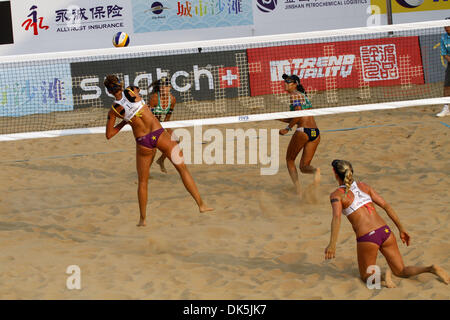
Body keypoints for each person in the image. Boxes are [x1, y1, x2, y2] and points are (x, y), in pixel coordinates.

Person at [104, 75, 213, 226]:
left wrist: (124, 121)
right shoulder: (132, 90)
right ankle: (201, 205)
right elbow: (138, 91)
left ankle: (142, 219)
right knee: (183, 169)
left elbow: (109, 135)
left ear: (108, 92)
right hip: (158, 134)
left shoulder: (114, 110)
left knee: (143, 182)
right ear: (121, 84)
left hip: (143, 141)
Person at [325, 159, 449, 287]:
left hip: (368, 237)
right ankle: (431, 268)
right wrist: (401, 229)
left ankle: (384, 275)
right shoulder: (364, 186)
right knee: (401, 270)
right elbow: (386, 206)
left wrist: (332, 244)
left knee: (366, 277)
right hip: (385, 231)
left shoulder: (336, 195)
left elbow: (336, 218)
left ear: (334, 173)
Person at [278, 74, 320, 199]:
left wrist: (287, 129)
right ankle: (315, 171)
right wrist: (278, 117)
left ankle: (298, 191)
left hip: (303, 131)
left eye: (289, 81)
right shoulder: (304, 96)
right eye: (285, 81)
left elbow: (298, 115)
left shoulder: (294, 96)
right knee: (304, 167)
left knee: (289, 160)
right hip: (315, 132)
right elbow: (299, 116)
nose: (285, 83)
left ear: (295, 84)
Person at [148, 77, 177, 173]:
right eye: (161, 87)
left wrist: (167, 130)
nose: (162, 88)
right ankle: (146, 171)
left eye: (165, 87)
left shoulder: (172, 100)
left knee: (175, 141)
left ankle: (161, 160)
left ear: (170, 87)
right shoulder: (155, 98)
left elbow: (167, 119)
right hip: (149, 125)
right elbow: (149, 117)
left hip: (160, 124)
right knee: (152, 151)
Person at [436, 17, 450, 117]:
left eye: (447, 25)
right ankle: (446, 108)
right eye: (444, 26)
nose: (446, 27)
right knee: (446, 86)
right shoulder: (443, 37)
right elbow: (444, 53)